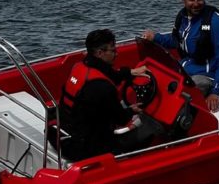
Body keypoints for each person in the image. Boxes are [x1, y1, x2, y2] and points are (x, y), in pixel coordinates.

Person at [59, 29, 156, 162]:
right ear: (100, 53)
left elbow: (111, 74)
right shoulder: (103, 87)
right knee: (150, 126)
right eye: (113, 50)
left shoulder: (79, 67)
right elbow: (121, 119)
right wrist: (131, 110)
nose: (117, 53)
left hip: (70, 134)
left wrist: (130, 72)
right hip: (91, 147)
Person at [141, 0, 219, 112]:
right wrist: (155, 37)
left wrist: (215, 92)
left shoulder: (216, 23)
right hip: (184, 71)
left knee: (177, 98)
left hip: (204, 77)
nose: (196, 3)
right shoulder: (183, 18)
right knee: (151, 79)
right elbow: (176, 40)